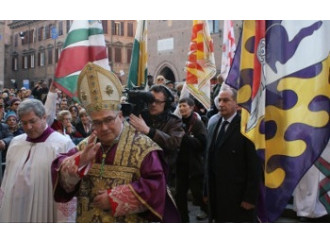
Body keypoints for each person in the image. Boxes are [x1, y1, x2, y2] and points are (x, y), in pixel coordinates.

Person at [51, 62, 180, 223]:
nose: (103, 128)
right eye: (97, 122)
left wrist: (115, 199)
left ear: (120, 115)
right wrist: (80, 161)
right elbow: (59, 175)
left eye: (108, 120)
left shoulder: (145, 148)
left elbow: (156, 187)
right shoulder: (85, 146)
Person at [0, 99, 76, 222]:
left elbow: (68, 188)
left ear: (44, 117)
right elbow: (7, 180)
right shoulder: (15, 143)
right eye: (24, 123)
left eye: (32, 121)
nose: (28, 127)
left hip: (44, 210)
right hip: (15, 211)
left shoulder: (62, 144)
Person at [205, 86, 262, 222]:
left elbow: (254, 166)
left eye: (226, 100)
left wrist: (250, 198)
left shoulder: (246, 127)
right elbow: (208, 160)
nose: (221, 104)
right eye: (219, 100)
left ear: (236, 104)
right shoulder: (213, 125)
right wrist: (206, 191)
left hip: (238, 197)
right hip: (217, 196)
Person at [129, 84, 185, 188]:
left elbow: (173, 143)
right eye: (150, 100)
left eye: (158, 102)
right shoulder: (140, 116)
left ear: (166, 103)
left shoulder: (174, 121)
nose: (153, 104)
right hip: (137, 171)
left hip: (161, 172)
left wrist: (149, 131)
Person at [175, 97, 208, 222]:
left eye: (184, 105)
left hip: (194, 165)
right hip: (181, 164)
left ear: (191, 107)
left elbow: (202, 144)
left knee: (198, 195)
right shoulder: (177, 122)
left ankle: (209, 213)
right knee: (179, 196)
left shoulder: (198, 123)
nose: (182, 108)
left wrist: (185, 137)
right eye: (180, 106)